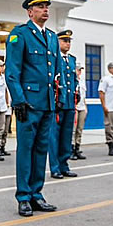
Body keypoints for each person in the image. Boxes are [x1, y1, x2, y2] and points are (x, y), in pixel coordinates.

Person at [6, 0, 60, 217]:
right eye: (40, 7)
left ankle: (37, 194)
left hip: (47, 104)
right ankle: (24, 196)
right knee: (26, 151)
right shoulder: (20, 35)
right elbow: (12, 71)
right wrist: (18, 100)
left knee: (41, 150)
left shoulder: (52, 37)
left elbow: (55, 73)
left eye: (47, 6)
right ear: (30, 12)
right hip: (28, 104)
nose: (45, 10)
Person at [48, 30, 78, 178]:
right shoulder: (53, 58)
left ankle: (64, 165)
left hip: (70, 104)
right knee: (55, 137)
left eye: (69, 41)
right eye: (64, 40)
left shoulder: (72, 59)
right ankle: (55, 168)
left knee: (67, 136)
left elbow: (74, 80)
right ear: (57, 42)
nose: (67, 43)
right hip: (58, 103)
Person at [71, 65, 87, 160]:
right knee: (73, 130)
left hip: (82, 107)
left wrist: (86, 107)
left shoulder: (82, 81)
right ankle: (71, 149)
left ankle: (77, 148)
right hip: (75, 107)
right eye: (78, 70)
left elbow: (84, 95)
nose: (79, 71)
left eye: (80, 70)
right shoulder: (72, 81)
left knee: (79, 130)